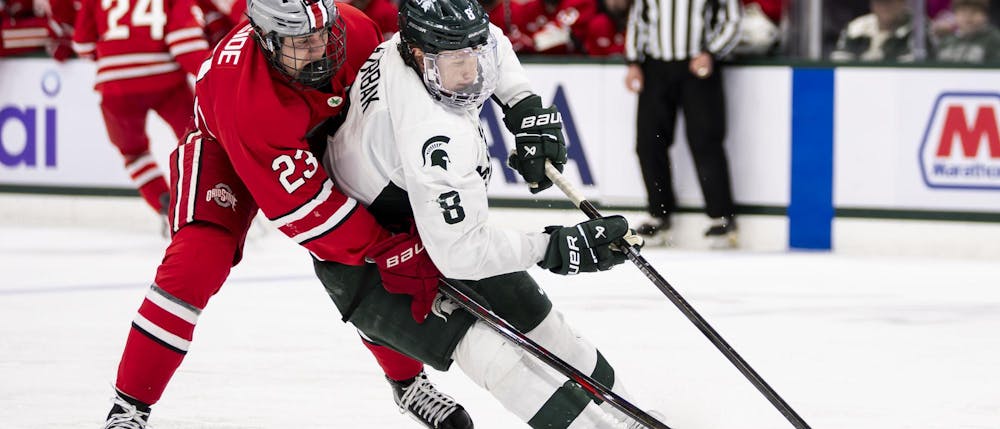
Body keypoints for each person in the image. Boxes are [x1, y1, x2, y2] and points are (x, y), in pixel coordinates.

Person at [100, 1, 475, 428]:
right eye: (303, 41)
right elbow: (307, 212)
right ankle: (129, 407)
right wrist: (384, 247)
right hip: (227, 149)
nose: (321, 47)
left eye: (324, 32)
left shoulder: (355, 30)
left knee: (375, 253)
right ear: (267, 40)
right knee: (196, 262)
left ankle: (408, 382)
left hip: (323, 133)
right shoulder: (245, 95)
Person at [318, 0, 654, 427]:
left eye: (473, 56)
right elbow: (461, 254)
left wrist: (524, 104)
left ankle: (635, 417)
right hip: (364, 252)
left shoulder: (416, 41)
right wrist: (553, 246)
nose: (469, 73)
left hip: (420, 215)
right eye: (455, 62)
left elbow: (488, 38)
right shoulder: (432, 132)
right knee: (495, 358)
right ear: (419, 55)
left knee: (546, 327)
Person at [72, 0, 211, 220]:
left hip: (115, 85)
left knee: (134, 153)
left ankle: (165, 205)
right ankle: (211, 203)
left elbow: (82, 46)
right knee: (201, 141)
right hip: (166, 80)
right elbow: (185, 45)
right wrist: (220, 77)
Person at [623, 0, 741, 248]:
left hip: (698, 66)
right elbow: (638, 18)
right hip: (656, 66)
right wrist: (633, 61)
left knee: (705, 139)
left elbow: (732, 19)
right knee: (649, 141)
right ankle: (658, 213)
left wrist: (711, 52)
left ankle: (720, 215)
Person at [829, 0, 917, 62]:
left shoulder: (916, 30)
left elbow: (909, 68)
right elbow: (840, 63)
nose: (884, 7)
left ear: (902, 3)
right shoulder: (856, 28)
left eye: (889, 2)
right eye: (879, 2)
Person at [934, 0, 1000, 63]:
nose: (968, 17)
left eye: (974, 12)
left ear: (985, 15)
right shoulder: (946, 40)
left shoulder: (993, 38)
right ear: (955, 15)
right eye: (963, 12)